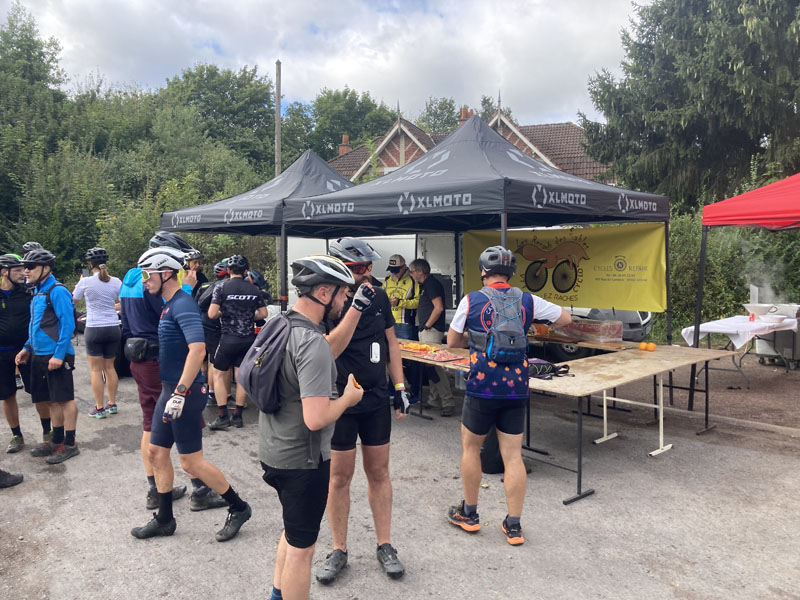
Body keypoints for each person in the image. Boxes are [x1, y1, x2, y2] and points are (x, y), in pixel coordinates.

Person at [446, 245, 571, 546]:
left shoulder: (471, 300)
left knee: (471, 449)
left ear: (483, 272)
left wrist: (476, 339)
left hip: (481, 386)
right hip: (516, 388)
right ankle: (513, 526)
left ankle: (470, 514)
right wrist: (528, 328)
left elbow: (452, 341)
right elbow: (565, 318)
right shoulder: (527, 300)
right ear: (511, 272)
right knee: (513, 456)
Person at [260, 254, 363, 600]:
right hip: (302, 461)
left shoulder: (280, 324)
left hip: (273, 448)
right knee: (303, 551)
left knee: (292, 533)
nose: (345, 301)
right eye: (342, 294)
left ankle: (276, 594)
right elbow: (316, 418)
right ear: (323, 293)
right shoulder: (313, 343)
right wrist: (347, 398)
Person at [131, 246, 251, 541]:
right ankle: (164, 519)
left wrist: (180, 392)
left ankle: (239, 507)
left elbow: (198, 350)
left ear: (165, 273)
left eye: (147, 275)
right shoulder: (169, 304)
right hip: (170, 390)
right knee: (156, 452)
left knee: (190, 462)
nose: (144, 281)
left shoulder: (183, 305)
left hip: (183, 392)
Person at [316, 237, 410, 585]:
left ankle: (385, 545)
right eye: (359, 268)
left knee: (379, 473)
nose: (366, 274)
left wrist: (400, 387)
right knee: (339, 478)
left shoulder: (378, 296)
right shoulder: (327, 300)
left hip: (375, 398)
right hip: (340, 398)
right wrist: (354, 307)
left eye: (369, 267)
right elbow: (325, 349)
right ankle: (338, 549)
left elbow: (392, 343)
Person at [120, 231, 223, 511]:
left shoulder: (131, 278)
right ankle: (200, 489)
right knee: (183, 422)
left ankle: (155, 488)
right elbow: (172, 311)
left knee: (149, 423)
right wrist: (187, 289)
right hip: (162, 360)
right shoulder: (153, 283)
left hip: (138, 356)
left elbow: (126, 322)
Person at [15, 248, 79, 464]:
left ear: (46, 268)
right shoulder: (37, 291)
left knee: (65, 400)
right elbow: (36, 325)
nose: (26, 270)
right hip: (39, 354)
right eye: (24, 267)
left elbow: (68, 324)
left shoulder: (57, 290)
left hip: (56, 354)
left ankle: (70, 443)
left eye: (30, 266)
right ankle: (56, 440)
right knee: (50, 400)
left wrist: (59, 355)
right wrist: (27, 348)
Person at [207, 254, 267, 430]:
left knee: (218, 374)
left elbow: (212, 314)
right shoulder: (254, 289)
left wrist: (224, 313)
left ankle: (222, 416)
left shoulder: (221, 287)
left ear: (228, 270)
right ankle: (238, 416)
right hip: (248, 339)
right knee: (241, 376)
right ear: (246, 271)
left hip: (228, 338)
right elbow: (263, 314)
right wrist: (248, 317)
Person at [72, 247, 122, 419]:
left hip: (94, 328)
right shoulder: (116, 281)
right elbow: (124, 303)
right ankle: (112, 403)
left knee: (96, 370)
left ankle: (99, 408)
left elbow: (73, 301)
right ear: (106, 262)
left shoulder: (85, 282)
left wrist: (80, 283)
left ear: (90, 264)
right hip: (113, 327)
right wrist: (111, 306)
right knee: (110, 367)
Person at [408, 258, 455, 417]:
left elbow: (439, 307)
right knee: (430, 366)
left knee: (435, 367)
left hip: (431, 330)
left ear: (420, 271)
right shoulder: (426, 285)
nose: (411, 274)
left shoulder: (431, 284)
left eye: (412, 271)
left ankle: (447, 401)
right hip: (428, 330)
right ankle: (434, 399)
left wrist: (427, 325)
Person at [0, 254, 35, 453]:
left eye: (23, 269)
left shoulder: (28, 292)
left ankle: (49, 432)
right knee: (7, 395)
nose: (23, 273)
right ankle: (16, 435)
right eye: (18, 270)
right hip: (2, 353)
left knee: (38, 391)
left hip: (28, 350)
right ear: (4, 272)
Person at [196, 260, 229, 407]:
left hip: (200, 322)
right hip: (214, 324)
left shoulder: (205, 285)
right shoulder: (224, 287)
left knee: (206, 359)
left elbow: (196, 302)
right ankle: (212, 392)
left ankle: (208, 390)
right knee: (215, 361)